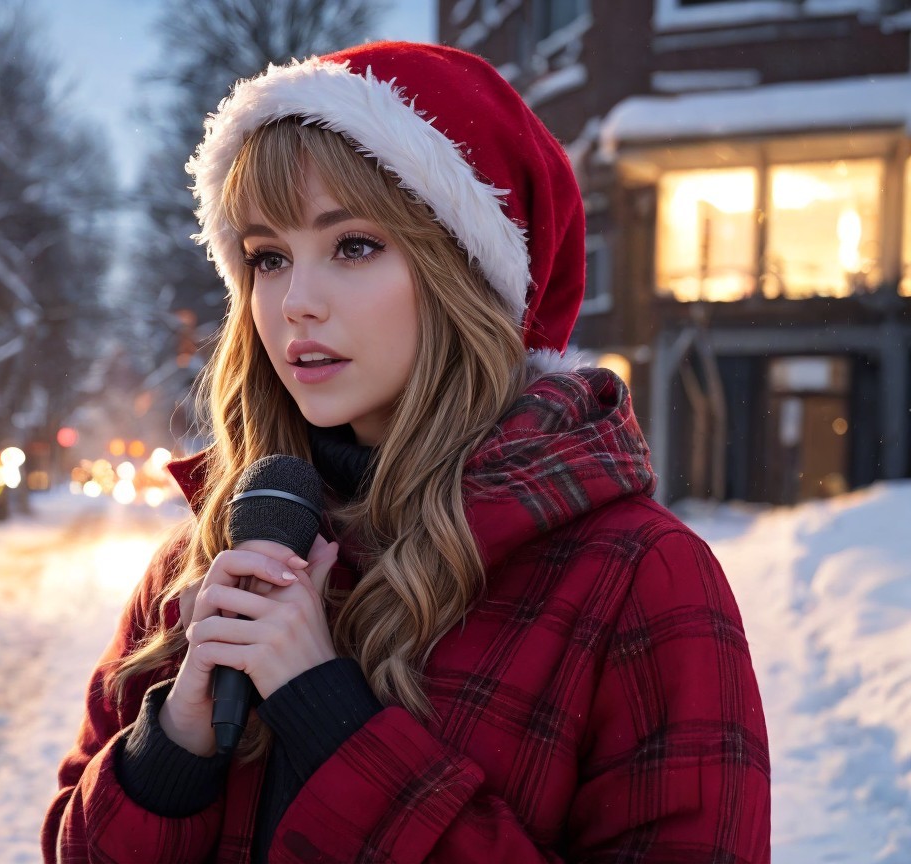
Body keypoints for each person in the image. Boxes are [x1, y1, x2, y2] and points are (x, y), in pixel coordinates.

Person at [42, 41, 771, 863]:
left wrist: (331, 720)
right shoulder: (209, 558)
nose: (295, 304)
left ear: (465, 273)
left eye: (353, 245)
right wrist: (173, 747)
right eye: (267, 258)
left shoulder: (638, 580)